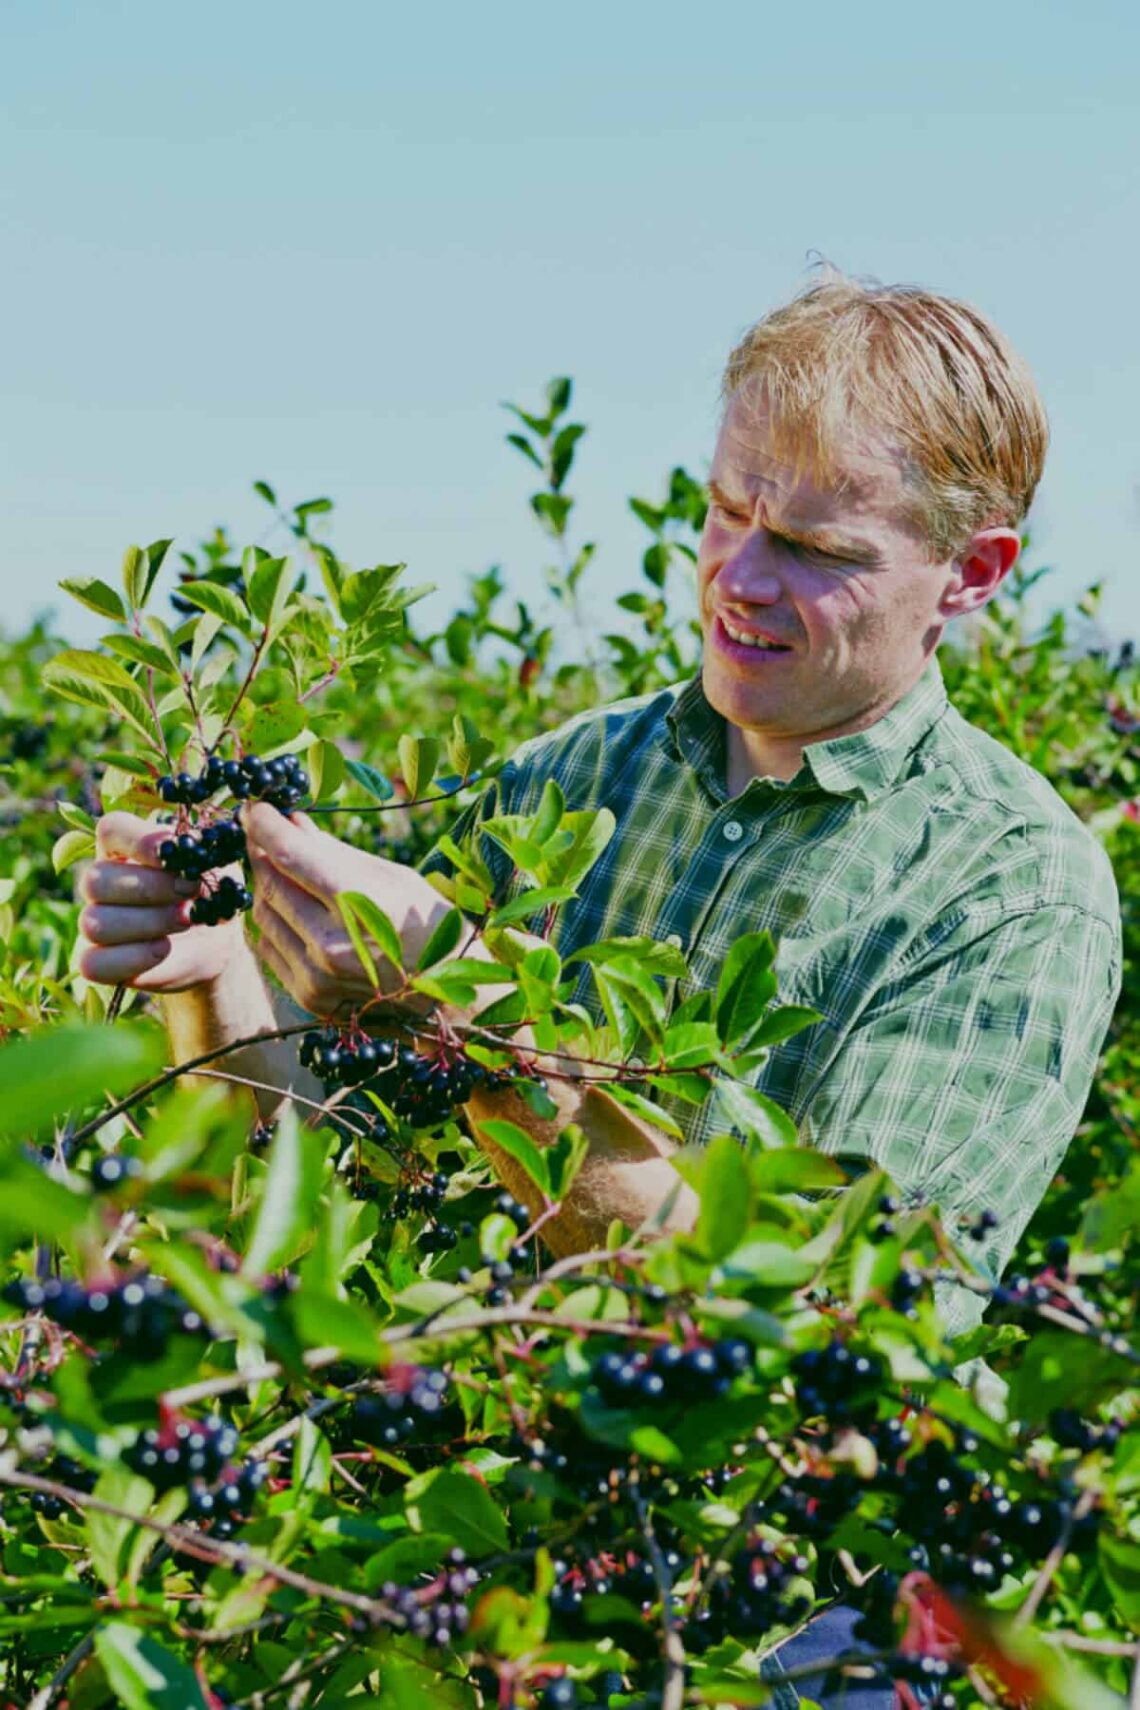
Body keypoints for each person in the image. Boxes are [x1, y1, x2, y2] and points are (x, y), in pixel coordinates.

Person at [76, 272, 1122, 1708]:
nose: (739, 576)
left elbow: (823, 1348)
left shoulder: (1012, 891)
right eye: (726, 510)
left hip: (772, 1633)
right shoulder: (571, 782)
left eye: (814, 545)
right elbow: (316, 1182)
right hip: (473, 1574)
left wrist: (469, 1003)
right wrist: (216, 985)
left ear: (974, 573)